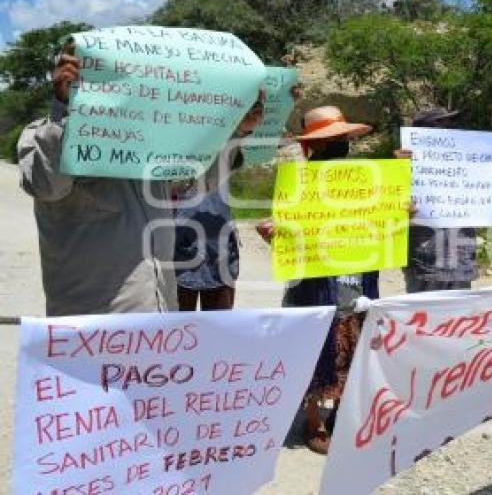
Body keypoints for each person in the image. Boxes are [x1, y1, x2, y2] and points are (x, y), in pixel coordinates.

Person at [18, 42, 262, 316]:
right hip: (91, 321)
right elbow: (45, 185)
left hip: (156, 319)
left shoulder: (149, 146)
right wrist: (64, 109)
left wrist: (238, 132)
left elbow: (196, 182)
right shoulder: (40, 134)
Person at [256, 105, 376, 455]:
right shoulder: (299, 185)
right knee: (315, 341)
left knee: (353, 338)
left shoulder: (368, 179)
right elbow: (287, 228)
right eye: (330, 140)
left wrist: (399, 211)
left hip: (355, 275)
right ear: (314, 147)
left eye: (341, 139)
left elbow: (383, 220)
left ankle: (342, 412)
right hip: (314, 279)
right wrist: (273, 233)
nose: (338, 145)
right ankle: (313, 420)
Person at [172, 94, 264, 311]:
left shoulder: (221, 144)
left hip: (218, 248)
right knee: (176, 330)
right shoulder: (167, 144)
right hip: (176, 248)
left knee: (218, 327)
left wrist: (244, 127)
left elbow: (230, 161)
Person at [395, 107, 479, 293]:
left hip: (461, 254)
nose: (448, 131)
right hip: (426, 259)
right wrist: (398, 169)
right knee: (424, 316)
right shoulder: (399, 166)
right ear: (420, 133)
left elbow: (486, 190)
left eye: (450, 125)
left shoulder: (467, 161)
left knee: (459, 316)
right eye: (440, 125)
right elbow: (388, 210)